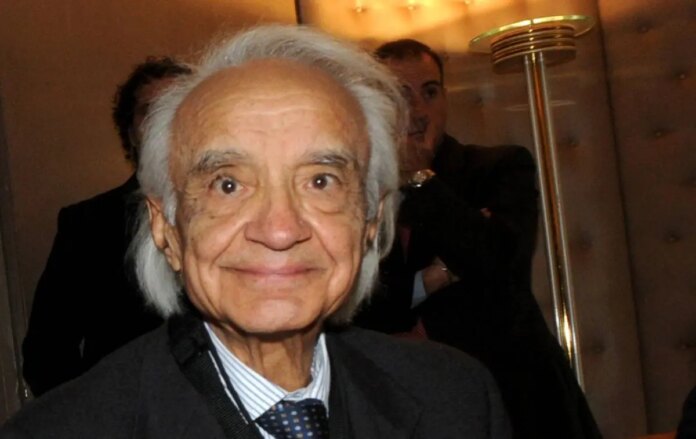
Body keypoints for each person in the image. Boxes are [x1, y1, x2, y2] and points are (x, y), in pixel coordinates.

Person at [1, 25, 511, 438]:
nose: (280, 229)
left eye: (320, 180)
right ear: (167, 228)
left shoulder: (457, 400)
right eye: (228, 185)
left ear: (370, 223)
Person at [353, 39, 602, 438]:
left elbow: (501, 269)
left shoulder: (498, 167)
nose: (418, 110)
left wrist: (419, 178)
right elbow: (362, 309)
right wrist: (434, 276)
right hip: (408, 408)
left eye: (430, 92)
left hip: (516, 401)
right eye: (401, 95)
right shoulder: (357, 194)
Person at [21, 57, 192, 396]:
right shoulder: (88, 225)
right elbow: (47, 353)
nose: (164, 120)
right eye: (150, 111)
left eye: (176, 107)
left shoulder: (238, 210)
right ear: (130, 133)